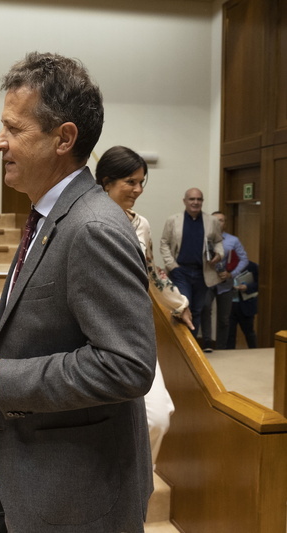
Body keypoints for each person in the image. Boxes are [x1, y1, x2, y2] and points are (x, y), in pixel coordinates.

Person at [0, 52, 157, 532]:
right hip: (52, 485)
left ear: (64, 138)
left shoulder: (93, 226)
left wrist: (2, 379)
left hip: (83, 499)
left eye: (14, 129)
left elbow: (128, 365)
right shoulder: (49, 215)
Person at [95, 145, 190, 466]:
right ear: (106, 181)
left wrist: (179, 303)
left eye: (141, 182)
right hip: (92, 334)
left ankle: (138, 495)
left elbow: (153, 273)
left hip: (135, 332)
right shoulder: (83, 220)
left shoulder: (142, 225)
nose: (138, 190)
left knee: (158, 418)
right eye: (130, 182)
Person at [160, 188, 224, 340]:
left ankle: (192, 348)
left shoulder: (212, 221)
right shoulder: (173, 220)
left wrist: (219, 254)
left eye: (199, 199)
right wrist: (172, 265)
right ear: (185, 201)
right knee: (183, 306)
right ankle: (179, 346)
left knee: (196, 310)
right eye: (192, 199)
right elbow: (164, 243)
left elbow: (218, 242)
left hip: (203, 273)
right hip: (180, 271)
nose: (195, 202)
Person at [201, 211, 248, 351]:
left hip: (225, 284)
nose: (218, 222)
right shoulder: (203, 238)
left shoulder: (233, 240)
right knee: (205, 309)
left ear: (225, 223)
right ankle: (207, 343)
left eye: (221, 220)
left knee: (224, 318)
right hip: (207, 282)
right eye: (215, 220)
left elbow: (244, 259)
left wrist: (231, 274)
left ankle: (221, 347)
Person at [228, 260, 259, 349]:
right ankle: (228, 357)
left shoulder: (252, 266)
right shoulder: (225, 265)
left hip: (246, 304)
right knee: (229, 335)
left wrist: (247, 287)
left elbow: (260, 283)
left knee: (249, 333)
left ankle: (255, 354)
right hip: (229, 305)